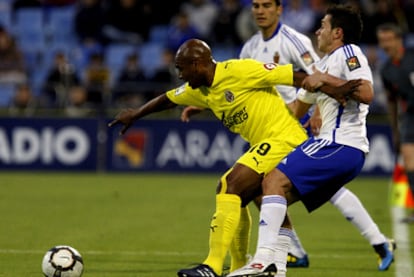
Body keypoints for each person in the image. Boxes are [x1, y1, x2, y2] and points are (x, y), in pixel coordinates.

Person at [108, 38, 358, 277]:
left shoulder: (240, 70)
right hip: (267, 143)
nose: (180, 75)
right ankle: (240, 265)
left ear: (197, 65)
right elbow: (168, 98)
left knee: (230, 185)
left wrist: (333, 90)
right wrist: (136, 114)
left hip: (285, 139)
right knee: (239, 196)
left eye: (181, 69)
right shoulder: (200, 89)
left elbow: (295, 76)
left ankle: (213, 266)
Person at [182, 0, 396, 271]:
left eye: (323, 26)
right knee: (265, 189)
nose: (317, 31)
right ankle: (279, 264)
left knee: (275, 182)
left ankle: (263, 261)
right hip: (281, 128)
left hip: (332, 139)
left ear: (278, 9)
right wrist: (211, 103)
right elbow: (292, 103)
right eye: (256, 5)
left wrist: (318, 104)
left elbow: (360, 91)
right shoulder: (250, 48)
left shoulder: (315, 46)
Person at [377, 22, 414, 223]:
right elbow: (392, 101)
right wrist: (395, 128)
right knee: (409, 161)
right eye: (382, 40)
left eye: (389, 39)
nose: (385, 44)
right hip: (409, 116)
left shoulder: (412, 57)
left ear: (399, 40)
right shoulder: (386, 70)